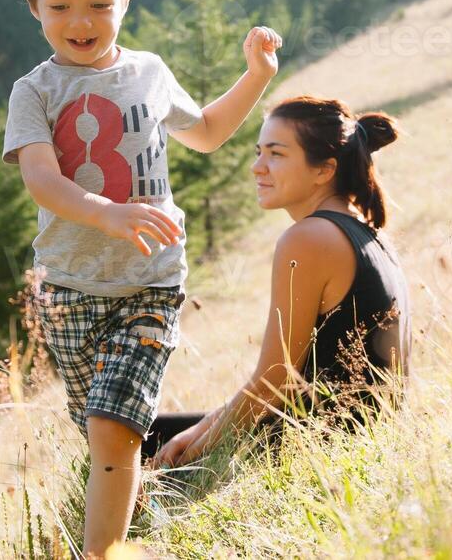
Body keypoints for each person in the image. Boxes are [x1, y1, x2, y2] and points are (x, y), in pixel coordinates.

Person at [1, 0, 284, 556]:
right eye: (60, 6)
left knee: (111, 429)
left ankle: (97, 552)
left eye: (99, 3)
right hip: (69, 293)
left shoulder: (148, 74)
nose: (81, 21)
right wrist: (108, 213)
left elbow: (209, 133)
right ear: (32, 4)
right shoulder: (34, 91)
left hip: (149, 287)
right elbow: (41, 179)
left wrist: (255, 75)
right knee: (102, 430)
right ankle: (152, 499)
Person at [147, 95, 410, 467]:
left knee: (129, 441)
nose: (257, 167)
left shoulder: (310, 238)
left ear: (324, 170)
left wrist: (195, 448)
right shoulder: (364, 231)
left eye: (276, 154)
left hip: (316, 449)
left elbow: (276, 379)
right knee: (152, 432)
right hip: (353, 438)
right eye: (259, 152)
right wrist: (202, 427)